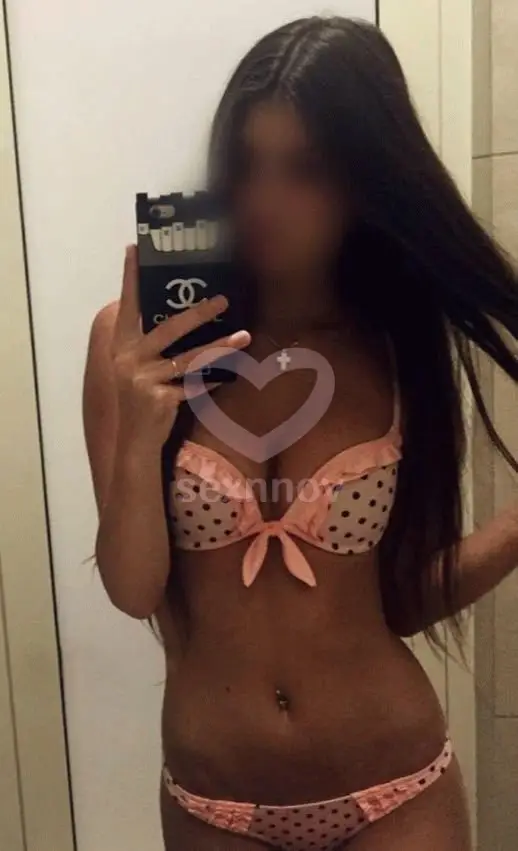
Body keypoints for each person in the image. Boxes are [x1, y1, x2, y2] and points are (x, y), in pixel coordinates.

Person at [83, 17, 518, 851]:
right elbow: (134, 587)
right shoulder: (131, 343)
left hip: (395, 787)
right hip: (215, 797)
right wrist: (140, 432)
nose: (263, 201)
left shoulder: (395, 346)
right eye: (247, 163)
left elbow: (402, 601)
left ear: (366, 183)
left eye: (306, 170)